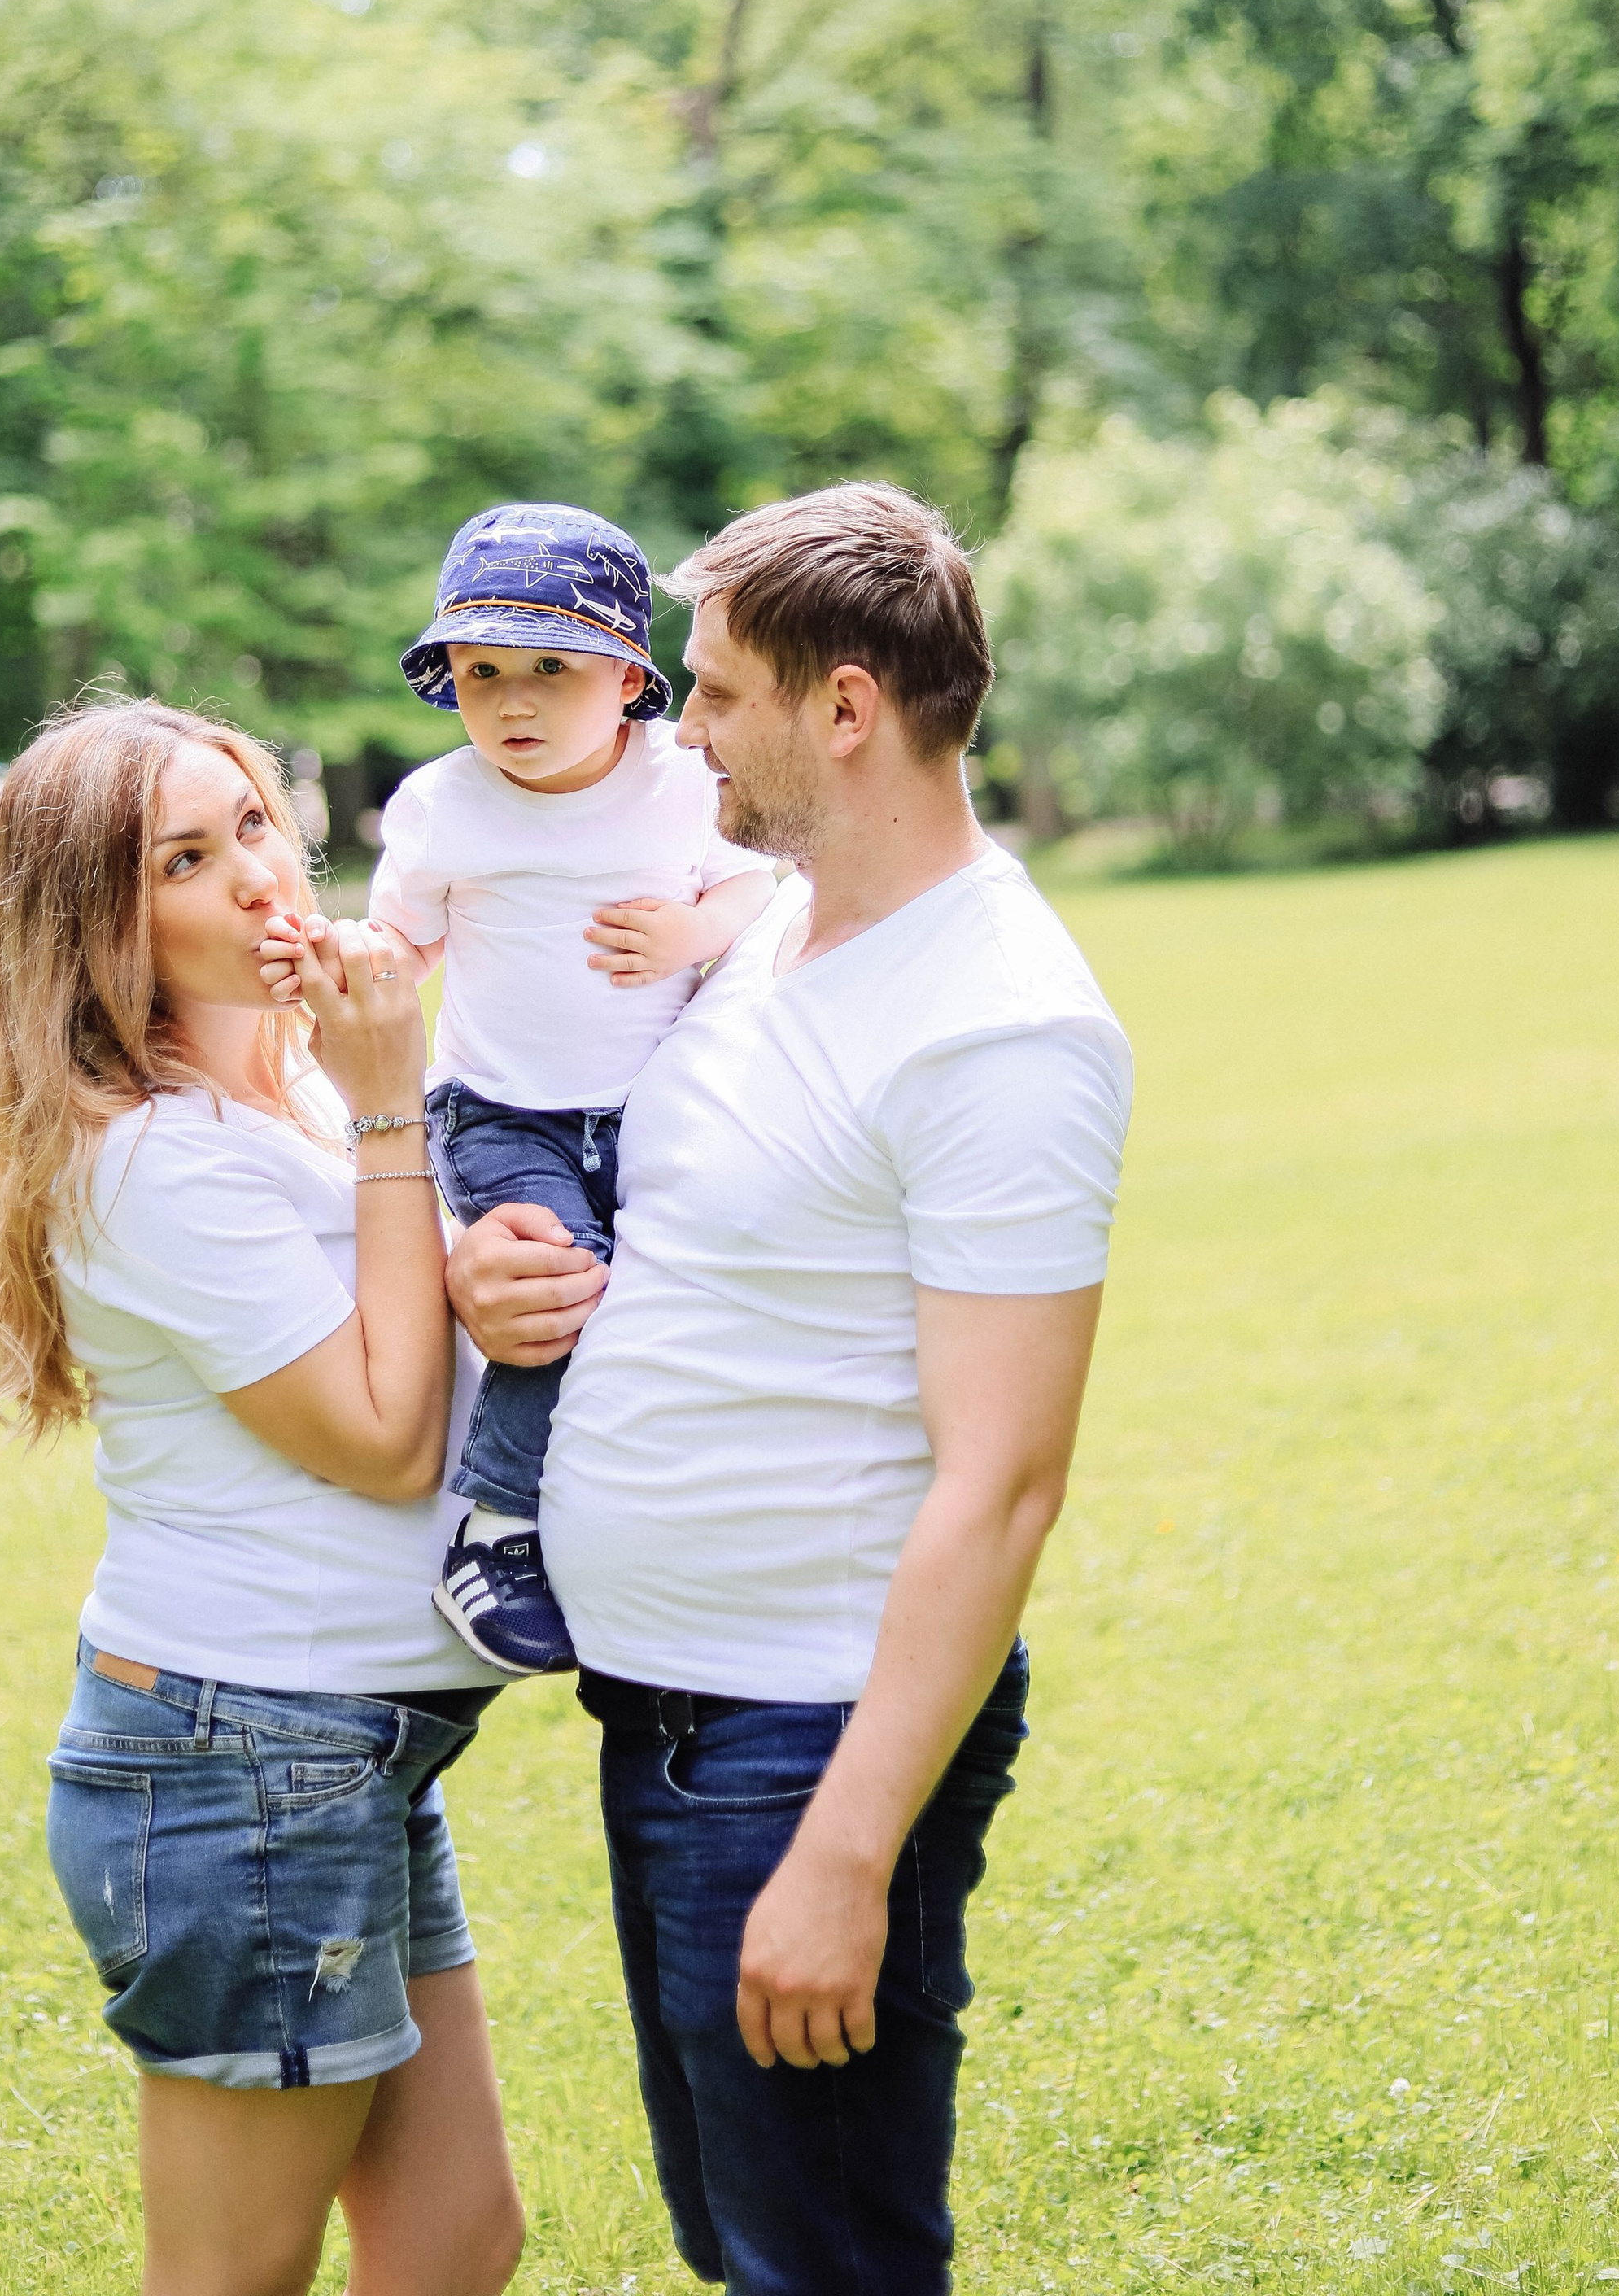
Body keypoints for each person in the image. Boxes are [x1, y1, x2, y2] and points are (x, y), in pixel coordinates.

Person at [445, 483, 1132, 2296]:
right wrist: (490, 1273)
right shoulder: (767, 929)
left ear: (844, 707)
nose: (679, 729)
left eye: (715, 691)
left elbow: (1003, 1483)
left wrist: (844, 1853)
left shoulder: (1000, 1026)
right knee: (743, 2236)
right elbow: (671, 1227)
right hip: (669, 1715)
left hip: (804, 1738)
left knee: (821, 2261)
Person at [0, 697, 523, 2296]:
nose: (260, 879)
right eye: (185, 861)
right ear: (97, 925)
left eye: (256, 825)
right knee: (232, 2274)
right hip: (240, 1756)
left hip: (345, 1749)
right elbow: (384, 1437)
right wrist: (396, 1100)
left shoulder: (297, 1099)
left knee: (455, 2240)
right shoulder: (149, 1159)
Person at [265, 501, 772, 1678]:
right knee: (557, 1279)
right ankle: (495, 1524)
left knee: (667, 1297)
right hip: (500, 1108)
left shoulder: (683, 785)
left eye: (552, 668)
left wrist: (691, 929)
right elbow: (405, 945)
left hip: (654, 1106)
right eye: (482, 671)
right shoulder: (442, 807)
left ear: (630, 679)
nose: (513, 702)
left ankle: (640, 1510)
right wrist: (349, 960)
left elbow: (756, 890)